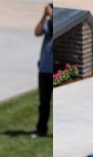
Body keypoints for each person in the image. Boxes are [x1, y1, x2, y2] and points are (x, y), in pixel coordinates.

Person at [32, 4, 54, 139]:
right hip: (44, 70)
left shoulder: (60, 22)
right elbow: (37, 32)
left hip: (57, 71)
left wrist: (51, 15)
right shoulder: (48, 23)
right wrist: (44, 16)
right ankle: (41, 129)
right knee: (44, 102)